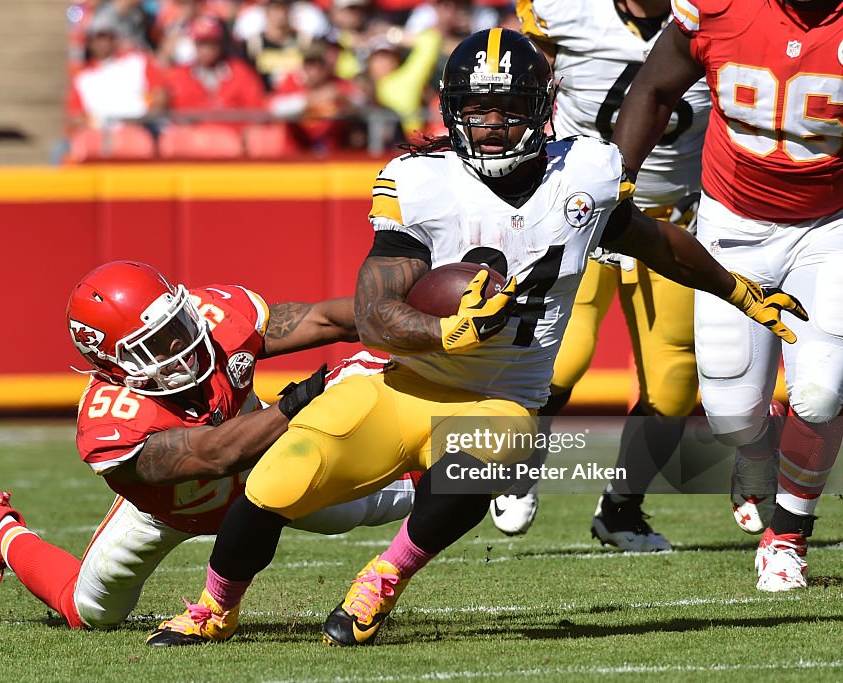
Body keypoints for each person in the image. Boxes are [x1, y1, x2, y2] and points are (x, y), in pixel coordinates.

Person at [144, 28, 807, 647]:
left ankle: (383, 577)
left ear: (541, 109)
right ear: (452, 110)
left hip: (503, 392)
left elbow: (656, 244)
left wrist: (737, 288)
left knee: (491, 453)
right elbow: (376, 312)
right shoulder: (421, 181)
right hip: (401, 380)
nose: (491, 124)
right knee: (277, 480)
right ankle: (215, 606)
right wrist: (444, 329)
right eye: (477, 108)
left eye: (508, 107)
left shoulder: (586, 174)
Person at [0, 260, 416, 629]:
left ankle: (480, 462)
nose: (181, 347)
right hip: (166, 511)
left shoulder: (217, 322)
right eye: (156, 345)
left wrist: (409, 321)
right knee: (88, 610)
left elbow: (321, 320)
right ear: (110, 362)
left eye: (177, 327)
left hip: (265, 472)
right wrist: (315, 391)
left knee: (379, 500)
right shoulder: (113, 420)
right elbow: (215, 454)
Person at [612, 0, 843, 591]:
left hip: (831, 225)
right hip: (731, 223)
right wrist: (618, 182)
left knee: (821, 391)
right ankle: (757, 445)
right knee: (731, 414)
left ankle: (788, 538)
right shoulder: (719, 8)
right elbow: (654, 88)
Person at [489, 0, 711, 551]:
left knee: (674, 382)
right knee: (563, 355)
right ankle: (513, 465)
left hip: (669, 215)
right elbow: (524, 91)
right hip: (580, 208)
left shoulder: (720, 14)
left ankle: (621, 510)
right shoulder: (564, 10)